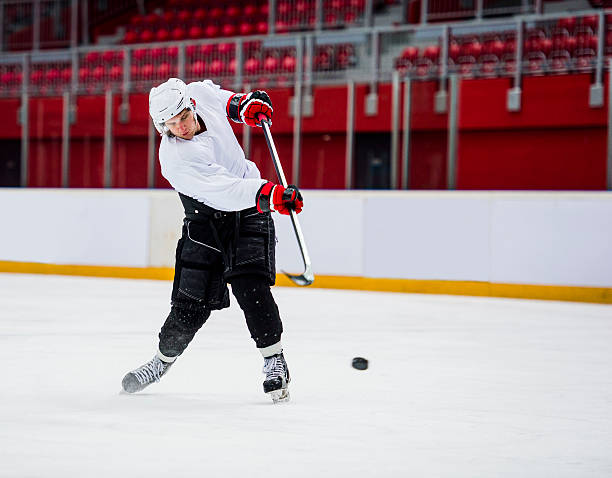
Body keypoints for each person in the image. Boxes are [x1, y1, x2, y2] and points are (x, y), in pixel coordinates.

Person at [121, 78, 303, 403]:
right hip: (206, 220)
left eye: (183, 118)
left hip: (247, 209)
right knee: (190, 304)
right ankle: (161, 362)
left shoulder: (200, 94)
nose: (181, 128)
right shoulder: (175, 159)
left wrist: (245, 105)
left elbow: (223, 99)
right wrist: (270, 193)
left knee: (251, 286)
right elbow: (224, 191)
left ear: (190, 105)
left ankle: (274, 361)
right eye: (171, 125)